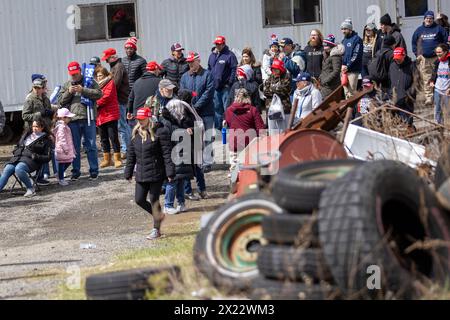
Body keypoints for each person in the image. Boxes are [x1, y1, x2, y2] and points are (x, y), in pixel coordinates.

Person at [125, 107, 175, 240]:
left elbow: (166, 153)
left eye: (142, 119)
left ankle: (156, 229)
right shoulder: (135, 134)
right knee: (139, 199)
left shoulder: (160, 132)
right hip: (141, 173)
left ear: (148, 118)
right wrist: (128, 172)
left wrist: (170, 172)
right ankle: (158, 215)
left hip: (156, 173)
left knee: (154, 200)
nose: (140, 121)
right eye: (138, 119)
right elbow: (131, 155)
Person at [58, 61, 103, 181]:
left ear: (80, 71)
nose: (74, 76)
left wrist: (83, 90)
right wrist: (69, 92)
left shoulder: (89, 81)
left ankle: (94, 171)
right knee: (75, 147)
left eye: (76, 73)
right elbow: (60, 101)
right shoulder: (67, 84)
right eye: (72, 74)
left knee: (91, 146)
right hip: (73, 120)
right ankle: (76, 171)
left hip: (88, 118)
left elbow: (99, 94)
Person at [180, 51, 214, 198]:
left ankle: (206, 163)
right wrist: (189, 108)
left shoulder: (207, 74)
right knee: (191, 146)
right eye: (188, 62)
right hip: (190, 115)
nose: (190, 64)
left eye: (192, 62)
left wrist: (197, 107)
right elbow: (182, 93)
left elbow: (209, 91)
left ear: (198, 61)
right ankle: (190, 188)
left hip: (205, 112)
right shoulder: (185, 76)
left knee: (206, 138)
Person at [0, 119, 52, 197]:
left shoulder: (46, 140)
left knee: (19, 168)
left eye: (37, 126)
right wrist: (16, 151)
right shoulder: (26, 135)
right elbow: (17, 146)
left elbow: (48, 157)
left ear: (42, 127)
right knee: (7, 168)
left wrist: (35, 156)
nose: (34, 128)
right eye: (33, 126)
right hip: (18, 158)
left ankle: (31, 188)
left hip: (32, 161)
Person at [160, 99, 195, 215]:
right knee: (172, 180)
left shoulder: (180, 120)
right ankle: (168, 204)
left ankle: (181, 203)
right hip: (173, 154)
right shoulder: (167, 122)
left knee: (180, 180)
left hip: (181, 153)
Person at [224, 88, 265, 176]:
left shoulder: (229, 110)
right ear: (248, 97)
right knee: (250, 169)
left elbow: (228, 123)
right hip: (249, 142)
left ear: (236, 97)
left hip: (235, 142)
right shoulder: (253, 110)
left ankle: (234, 183)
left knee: (234, 168)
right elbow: (260, 127)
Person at [412, 11, 449, 106]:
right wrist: (417, 54)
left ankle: (441, 96)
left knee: (439, 76)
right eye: (427, 18)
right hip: (424, 58)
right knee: (426, 78)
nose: (429, 20)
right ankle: (429, 97)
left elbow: (446, 41)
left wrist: (445, 53)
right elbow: (414, 43)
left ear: (433, 19)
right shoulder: (419, 30)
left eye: (431, 18)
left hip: (438, 58)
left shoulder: (439, 29)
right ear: (424, 19)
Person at [101, 48, 131, 160]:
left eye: (107, 59)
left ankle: (126, 149)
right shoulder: (115, 66)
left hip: (120, 100)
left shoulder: (118, 67)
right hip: (119, 100)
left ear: (112, 57)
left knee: (122, 126)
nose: (106, 61)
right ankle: (126, 148)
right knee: (123, 125)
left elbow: (115, 84)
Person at [208, 35, 238, 129]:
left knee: (227, 109)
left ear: (224, 44)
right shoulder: (212, 56)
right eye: (216, 44)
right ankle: (218, 130)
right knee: (217, 109)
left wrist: (229, 83)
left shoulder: (229, 55)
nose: (218, 46)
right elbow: (209, 69)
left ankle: (230, 129)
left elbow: (234, 69)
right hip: (215, 87)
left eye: (220, 44)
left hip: (225, 87)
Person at [94, 66, 122, 169]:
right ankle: (107, 159)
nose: (99, 78)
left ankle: (117, 159)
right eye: (97, 76)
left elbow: (106, 97)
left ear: (105, 75)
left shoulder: (110, 83)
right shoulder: (96, 86)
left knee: (113, 137)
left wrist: (95, 104)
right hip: (100, 116)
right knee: (103, 138)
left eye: (101, 75)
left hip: (110, 114)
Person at [389, 47, 417, 128]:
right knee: (396, 122)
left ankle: (411, 132)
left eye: (399, 58)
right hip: (395, 99)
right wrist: (390, 92)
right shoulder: (392, 66)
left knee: (407, 121)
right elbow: (390, 80)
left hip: (407, 98)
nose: (397, 60)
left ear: (404, 56)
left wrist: (409, 94)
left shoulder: (411, 66)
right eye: (396, 58)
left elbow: (416, 82)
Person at [263, 59, 292, 132]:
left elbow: (284, 90)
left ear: (280, 69)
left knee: (283, 131)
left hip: (284, 108)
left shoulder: (286, 76)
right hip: (271, 108)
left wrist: (272, 89)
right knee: (272, 131)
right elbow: (265, 91)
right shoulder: (270, 77)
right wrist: (276, 89)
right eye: (273, 69)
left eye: (276, 69)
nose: (274, 71)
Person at [53, 108, 76, 186]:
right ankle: (61, 178)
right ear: (63, 117)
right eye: (68, 117)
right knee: (63, 163)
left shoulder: (64, 126)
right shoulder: (61, 127)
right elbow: (62, 139)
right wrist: (66, 149)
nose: (70, 119)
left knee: (68, 161)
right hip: (63, 149)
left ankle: (59, 174)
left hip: (65, 148)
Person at [341, 18, 363, 99]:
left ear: (350, 29)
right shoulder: (344, 40)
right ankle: (347, 110)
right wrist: (342, 65)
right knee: (346, 92)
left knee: (351, 92)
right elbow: (342, 54)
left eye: (345, 29)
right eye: (342, 29)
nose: (343, 31)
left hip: (353, 70)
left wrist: (348, 65)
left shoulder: (357, 39)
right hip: (344, 70)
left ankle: (352, 111)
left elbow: (356, 55)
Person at [430, 44, 450, 124]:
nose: (437, 54)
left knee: (448, 110)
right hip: (437, 89)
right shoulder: (437, 62)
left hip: (447, 90)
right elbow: (434, 73)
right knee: (437, 109)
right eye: (436, 52)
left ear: (445, 52)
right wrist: (431, 81)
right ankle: (439, 126)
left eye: (439, 52)